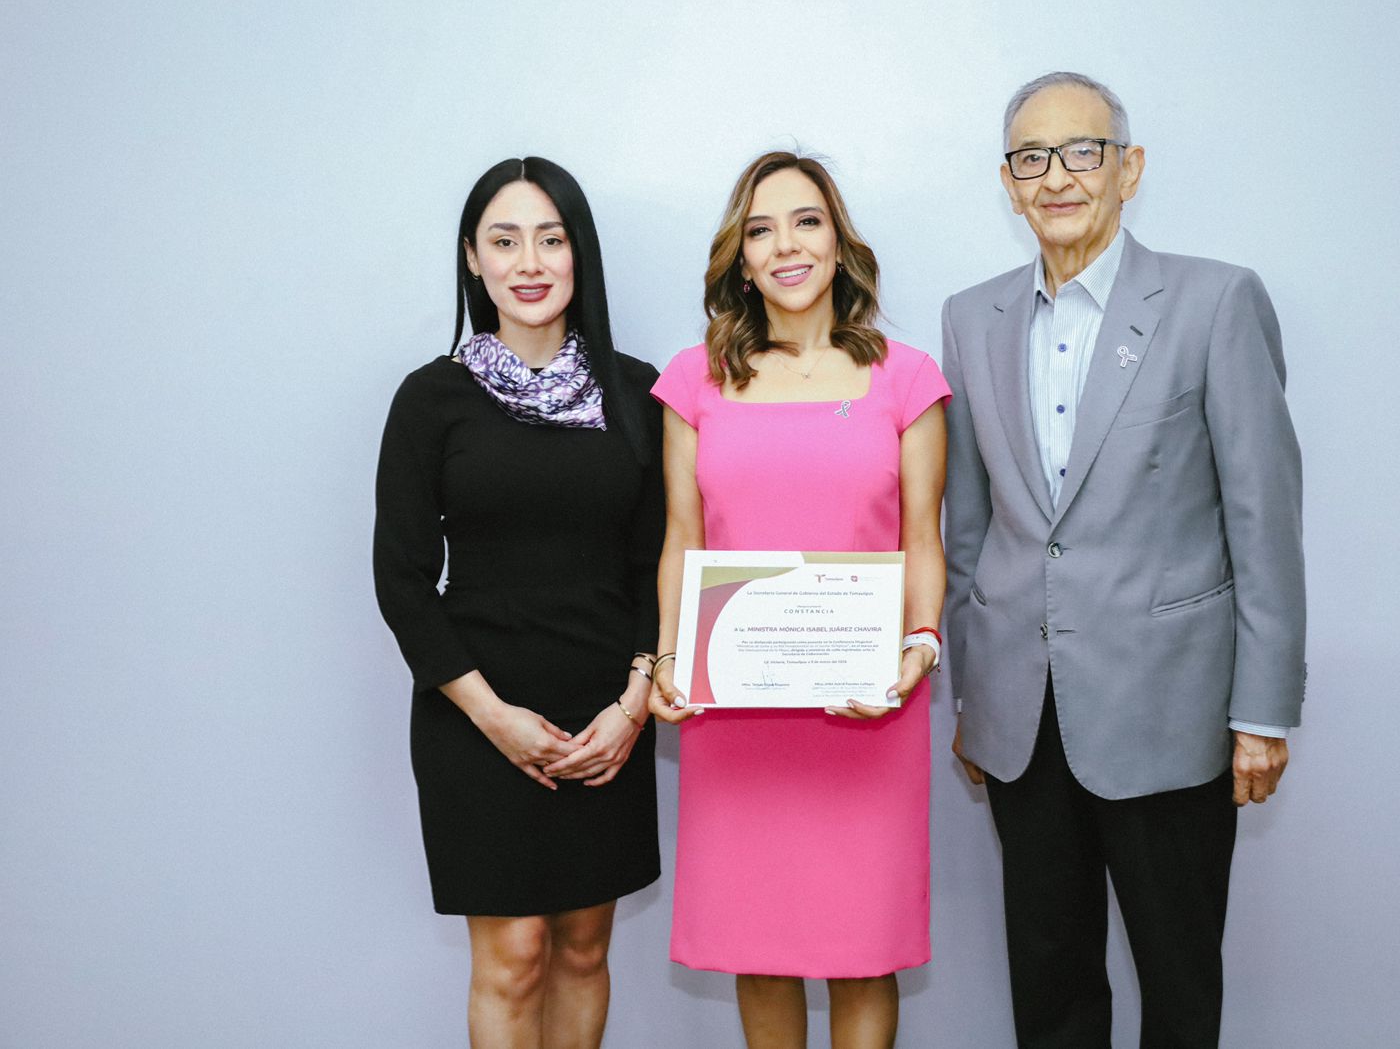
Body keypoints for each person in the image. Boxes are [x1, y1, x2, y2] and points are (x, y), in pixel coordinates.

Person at [940, 73, 1307, 1047]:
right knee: (1050, 986)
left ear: (1127, 168)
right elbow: (969, 530)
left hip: (1170, 710)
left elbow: (1263, 517)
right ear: (1009, 183)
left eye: (1082, 152)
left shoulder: (1214, 301)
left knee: (1177, 983)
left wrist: (1262, 711)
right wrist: (971, 698)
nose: (1056, 177)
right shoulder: (969, 319)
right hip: (1021, 719)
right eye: (1031, 158)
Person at [648, 151, 950, 1049]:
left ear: (838, 241)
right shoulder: (692, 379)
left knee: (865, 952)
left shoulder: (907, 377)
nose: (786, 245)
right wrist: (669, 659)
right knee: (762, 949)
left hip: (869, 706)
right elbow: (682, 538)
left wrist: (920, 647)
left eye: (806, 221)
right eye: (761, 229)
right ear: (741, 260)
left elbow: (923, 539)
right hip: (736, 715)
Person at [373, 156, 663, 1049]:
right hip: (476, 713)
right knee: (514, 958)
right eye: (504, 241)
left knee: (581, 950)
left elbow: (659, 562)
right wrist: (494, 718)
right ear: (473, 258)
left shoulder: (638, 393)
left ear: (580, 254)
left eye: (551, 238)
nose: (529, 262)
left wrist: (634, 706)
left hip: (605, 715)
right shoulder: (432, 399)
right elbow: (401, 578)